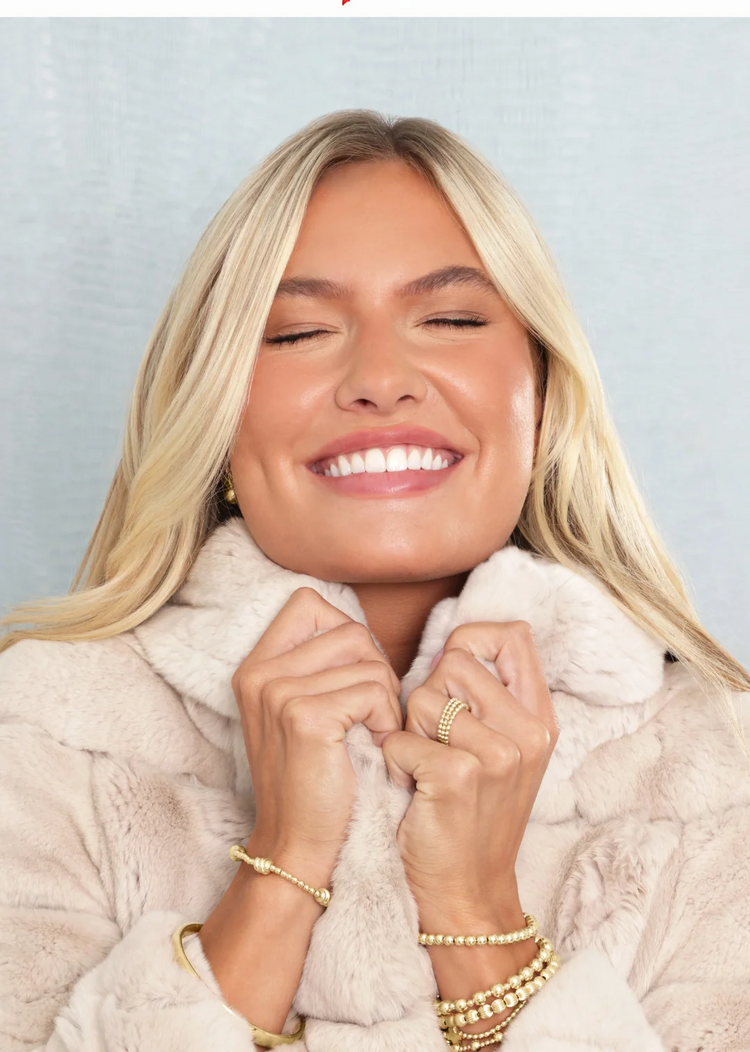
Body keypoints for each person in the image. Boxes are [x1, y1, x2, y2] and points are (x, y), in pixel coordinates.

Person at [1, 109, 748, 1052]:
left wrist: (475, 912)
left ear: (543, 393)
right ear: (217, 413)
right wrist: (282, 867)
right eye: (299, 331)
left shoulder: (719, 766)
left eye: (451, 319)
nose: (381, 378)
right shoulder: (40, 739)